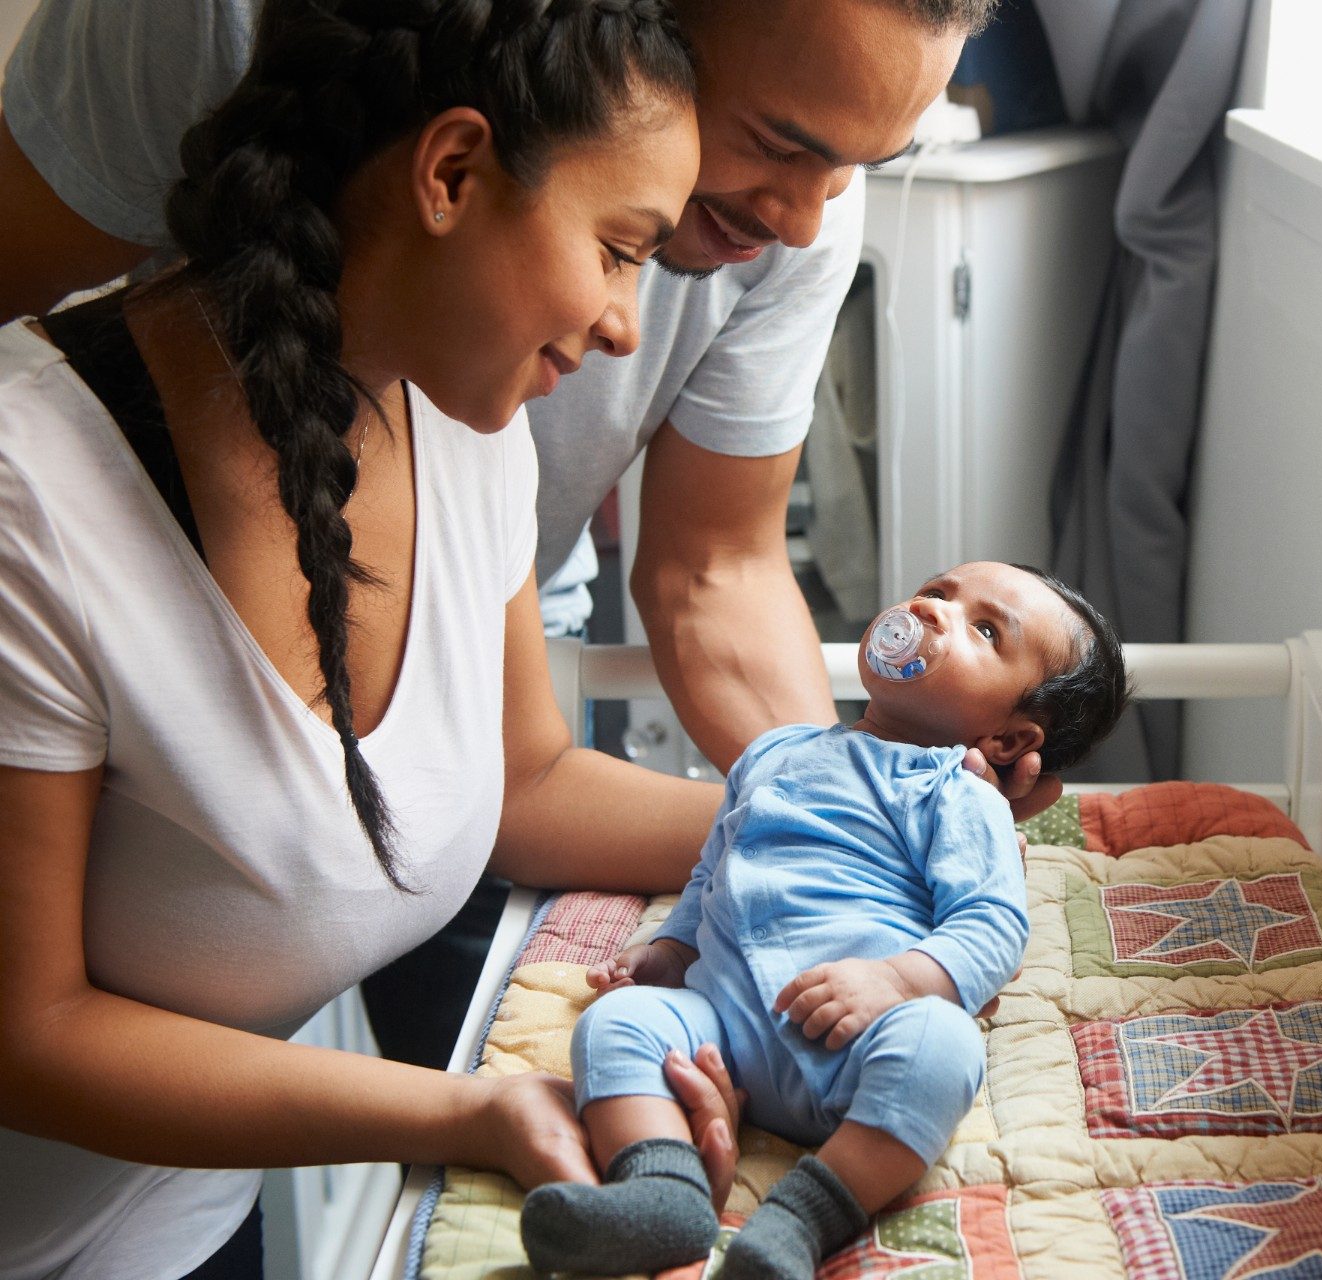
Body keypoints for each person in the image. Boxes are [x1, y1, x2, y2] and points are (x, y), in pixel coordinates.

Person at [0, 0, 1057, 1073]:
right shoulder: (217, 30)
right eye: (781, 144)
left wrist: (843, 812)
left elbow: (712, 568)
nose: (805, 218)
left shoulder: (478, 450)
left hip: (475, 639)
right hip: (142, 601)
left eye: (854, 168)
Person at [0, 4, 758, 1277]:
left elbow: (529, 785)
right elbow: (30, 1034)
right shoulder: (35, 492)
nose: (630, 321)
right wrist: (472, 1108)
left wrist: (829, 806)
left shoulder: (468, 418)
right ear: (452, 172)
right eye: (621, 249)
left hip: (182, 1209)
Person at [518, 561, 1130, 1278]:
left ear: (1008, 742)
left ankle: (800, 1219)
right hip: (723, 1030)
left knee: (944, 1044)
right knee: (617, 1024)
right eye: (937, 592)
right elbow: (717, 864)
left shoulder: (957, 796)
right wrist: (675, 948)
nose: (933, 611)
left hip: (860, 1035)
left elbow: (993, 924)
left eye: (985, 629)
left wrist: (900, 983)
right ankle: (664, 1194)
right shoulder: (776, 751)